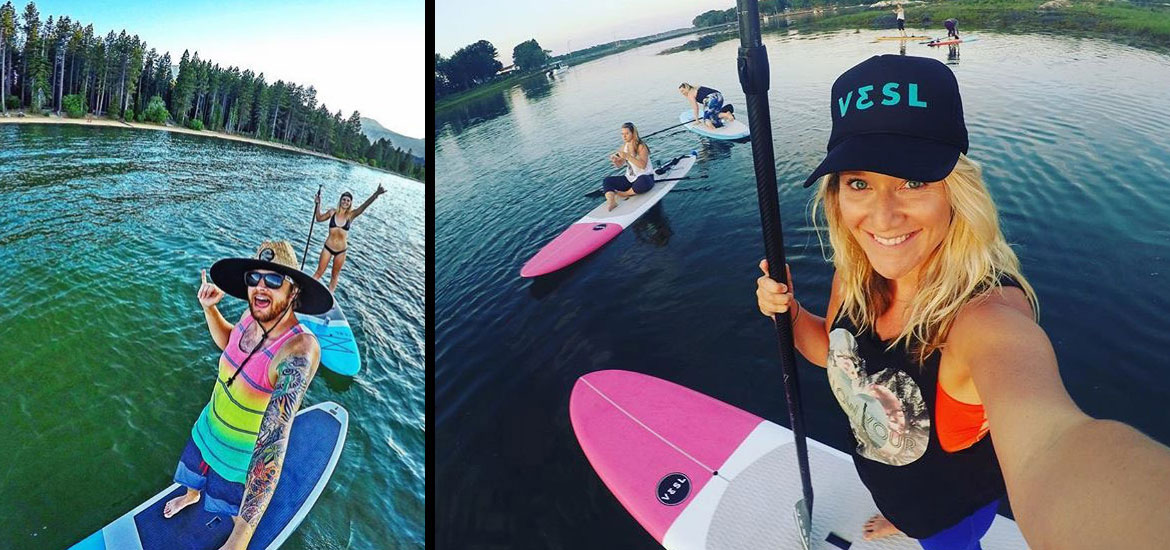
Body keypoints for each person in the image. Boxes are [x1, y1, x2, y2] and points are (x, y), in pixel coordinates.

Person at [755, 55, 1170, 549]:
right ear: (836, 194)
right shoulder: (856, 272)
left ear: (957, 191)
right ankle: (899, 518)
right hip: (893, 490)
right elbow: (837, 354)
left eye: (914, 181)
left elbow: (1054, 444)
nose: (883, 218)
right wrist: (792, 314)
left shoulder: (985, 320)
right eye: (859, 183)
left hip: (947, 517)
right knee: (902, 509)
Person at [164, 240, 333, 550]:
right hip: (207, 428)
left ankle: (230, 531)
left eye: (273, 279)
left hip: (237, 456)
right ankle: (191, 496)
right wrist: (210, 309)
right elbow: (230, 344)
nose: (260, 287)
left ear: (293, 291)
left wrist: (239, 543)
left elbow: (273, 444)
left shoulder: (298, 350)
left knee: (227, 503)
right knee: (193, 478)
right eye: (254, 278)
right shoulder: (252, 314)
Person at [312, 185, 386, 293]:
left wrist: (376, 194)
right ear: (340, 201)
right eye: (344, 200)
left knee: (334, 275)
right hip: (328, 248)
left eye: (348, 200)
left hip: (341, 251)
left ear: (350, 203)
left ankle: (330, 297)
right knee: (319, 272)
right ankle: (304, 290)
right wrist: (318, 204)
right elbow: (318, 218)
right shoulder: (332, 212)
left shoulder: (351, 215)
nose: (346, 202)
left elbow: (364, 206)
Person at [602, 122, 654, 211]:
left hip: (645, 177)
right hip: (629, 179)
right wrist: (615, 161)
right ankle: (611, 202)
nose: (624, 136)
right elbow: (620, 165)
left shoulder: (641, 146)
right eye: (622, 134)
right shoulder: (624, 147)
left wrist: (627, 156)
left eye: (627, 133)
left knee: (644, 181)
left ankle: (626, 193)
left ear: (633, 133)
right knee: (607, 181)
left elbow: (642, 166)